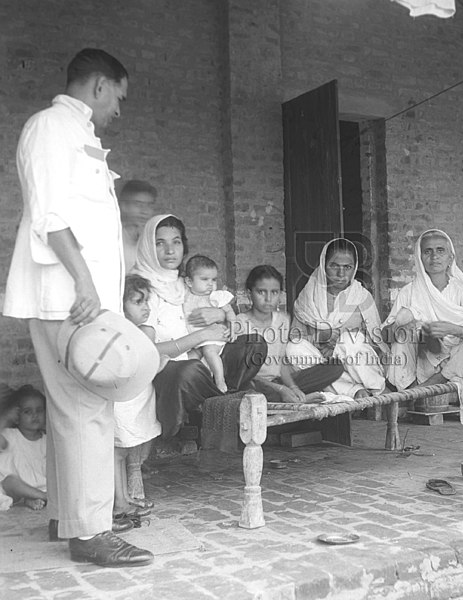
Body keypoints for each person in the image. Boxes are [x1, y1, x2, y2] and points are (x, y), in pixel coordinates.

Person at [2, 48, 153, 566]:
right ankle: (91, 534)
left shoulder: (81, 136)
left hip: (78, 297)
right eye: (120, 98)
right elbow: (48, 215)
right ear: (100, 85)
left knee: (70, 410)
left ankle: (66, 518)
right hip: (66, 297)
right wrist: (86, 282)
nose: (120, 110)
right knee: (90, 409)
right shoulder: (50, 127)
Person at [131, 214, 267, 439]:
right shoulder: (143, 290)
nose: (170, 250)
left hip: (206, 363)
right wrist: (201, 335)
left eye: (176, 241)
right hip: (172, 369)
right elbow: (147, 352)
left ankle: (217, 400)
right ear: (147, 247)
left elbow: (218, 312)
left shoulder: (186, 281)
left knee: (255, 344)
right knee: (188, 370)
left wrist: (219, 314)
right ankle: (224, 402)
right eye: (159, 243)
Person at [382, 229, 463, 429]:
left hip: (459, 361)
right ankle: (415, 390)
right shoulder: (409, 292)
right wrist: (401, 323)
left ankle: (431, 385)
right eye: (427, 251)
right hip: (423, 359)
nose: (434, 256)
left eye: (440, 250)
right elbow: (386, 338)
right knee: (404, 333)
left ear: (450, 257)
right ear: (419, 257)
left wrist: (455, 329)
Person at [289, 238, 389, 398]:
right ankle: (354, 391)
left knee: (351, 341)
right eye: (334, 266)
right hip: (323, 366)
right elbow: (295, 337)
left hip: (357, 367)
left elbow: (377, 343)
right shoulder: (309, 296)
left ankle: (377, 390)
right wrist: (320, 337)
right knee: (293, 348)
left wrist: (342, 343)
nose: (341, 274)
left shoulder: (362, 297)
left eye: (347, 267)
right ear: (323, 265)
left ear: (354, 268)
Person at [235, 265, 344, 403]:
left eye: (274, 292)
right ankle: (295, 398)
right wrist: (281, 389)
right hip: (255, 384)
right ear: (249, 293)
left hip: (278, 382)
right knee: (251, 392)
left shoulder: (283, 319)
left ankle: (295, 397)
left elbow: (281, 363)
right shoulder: (239, 323)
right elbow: (242, 373)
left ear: (280, 295)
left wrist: (293, 387)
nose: (268, 298)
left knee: (335, 367)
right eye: (261, 292)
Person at [113, 275, 162, 518]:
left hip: (139, 397)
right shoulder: (118, 335)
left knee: (126, 448)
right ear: (120, 306)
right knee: (118, 450)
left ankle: (123, 498)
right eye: (137, 301)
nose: (146, 307)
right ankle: (119, 500)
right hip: (123, 399)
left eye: (146, 301)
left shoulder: (143, 331)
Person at [183, 255, 237, 393]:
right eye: (204, 279)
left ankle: (220, 380)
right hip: (195, 340)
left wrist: (233, 328)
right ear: (189, 281)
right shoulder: (184, 295)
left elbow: (230, 313)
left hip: (213, 337)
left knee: (209, 352)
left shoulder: (215, 297)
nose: (210, 284)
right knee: (189, 360)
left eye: (214, 280)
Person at [0, 386, 47, 511]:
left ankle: (31, 498)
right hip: (14, 489)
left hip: (43, 486)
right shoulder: (10, 435)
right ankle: (44, 497)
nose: (35, 415)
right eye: (28, 411)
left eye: (39, 410)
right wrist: (6, 418)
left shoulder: (48, 441)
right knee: (10, 481)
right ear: (16, 417)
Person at [118, 180, 157, 272]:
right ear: (123, 206)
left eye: (149, 206)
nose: (145, 211)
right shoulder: (110, 235)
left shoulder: (154, 240)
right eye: (138, 205)